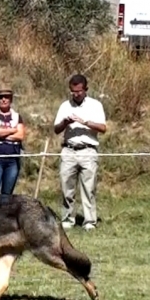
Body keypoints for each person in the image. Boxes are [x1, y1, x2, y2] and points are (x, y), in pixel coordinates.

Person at [54, 74, 106, 231]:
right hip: (69, 150)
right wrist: (65, 122)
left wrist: (84, 122)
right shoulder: (65, 106)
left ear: (86, 90)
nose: (76, 94)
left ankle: (89, 221)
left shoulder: (95, 105)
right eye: (73, 91)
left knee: (88, 188)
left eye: (79, 91)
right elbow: (56, 129)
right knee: (66, 187)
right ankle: (68, 219)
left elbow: (103, 128)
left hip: (88, 150)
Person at [0, 86, 26, 197]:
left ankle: (3, 215)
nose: (3, 99)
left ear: (11, 99)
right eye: (0, 97)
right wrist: (12, 130)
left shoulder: (17, 116)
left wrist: (1, 134)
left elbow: (20, 135)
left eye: (6, 97)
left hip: (13, 160)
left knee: (7, 195)